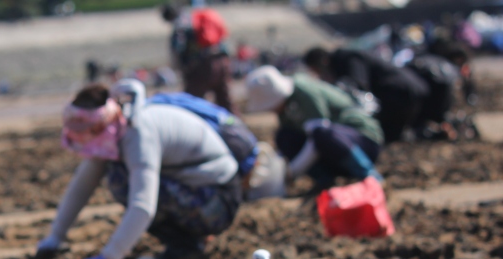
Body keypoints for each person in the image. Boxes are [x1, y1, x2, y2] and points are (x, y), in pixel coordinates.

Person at [35, 79, 242, 259]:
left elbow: (143, 205)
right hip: (193, 187)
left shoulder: (138, 132)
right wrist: (55, 237)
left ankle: (187, 246)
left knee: (122, 183)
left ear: (103, 121)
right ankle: (188, 242)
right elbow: (83, 184)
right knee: (120, 176)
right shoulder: (113, 129)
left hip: (219, 197)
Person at [244, 66, 384, 190]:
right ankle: (325, 180)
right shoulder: (285, 107)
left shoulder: (304, 93)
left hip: (362, 141)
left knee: (321, 133)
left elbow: (319, 136)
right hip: (335, 153)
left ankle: (369, 176)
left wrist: (292, 172)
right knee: (284, 136)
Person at [303, 46, 429, 143]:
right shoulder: (345, 59)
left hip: (401, 92)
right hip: (406, 91)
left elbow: (359, 86)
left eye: (317, 71)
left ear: (323, 61)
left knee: (382, 136)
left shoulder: (348, 58)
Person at [161, 4, 235, 113]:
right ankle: (236, 127)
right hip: (221, 62)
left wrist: (181, 68)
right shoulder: (196, 18)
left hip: (201, 67)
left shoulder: (180, 27)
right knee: (225, 102)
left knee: (191, 104)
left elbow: (177, 50)